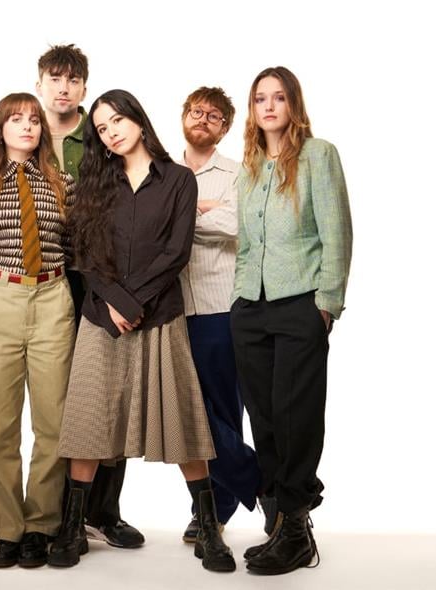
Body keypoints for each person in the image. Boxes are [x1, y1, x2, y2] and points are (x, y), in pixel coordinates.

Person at [49, 89, 236, 572]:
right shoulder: (95, 182)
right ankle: (72, 526)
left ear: (137, 119)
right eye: (102, 128)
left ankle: (208, 528)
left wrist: (132, 302)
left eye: (117, 121)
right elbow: (83, 254)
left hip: (158, 316)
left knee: (184, 424)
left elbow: (176, 252)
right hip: (102, 318)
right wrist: (113, 301)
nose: (111, 132)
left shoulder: (177, 179)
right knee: (88, 422)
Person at [230, 66, 352, 575]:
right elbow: (245, 242)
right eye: (260, 98)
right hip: (250, 307)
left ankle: (298, 531)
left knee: (295, 416)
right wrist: (237, 299)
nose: (269, 106)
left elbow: (337, 231)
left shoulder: (318, 155)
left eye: (278, 97)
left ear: (293, 104)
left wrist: (327, 304)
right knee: (264, 418)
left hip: (300, 302)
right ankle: (280, 522)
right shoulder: (250, 166)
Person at [35, 43, 144, 550]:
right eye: (55, 79)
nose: (64, 88)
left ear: (83, 86)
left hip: (97, 276)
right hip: (42, 279)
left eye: (73, 80)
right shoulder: (24, 130)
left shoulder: (101, 136)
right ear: (40, 84)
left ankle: (105, 510)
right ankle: (58, 514)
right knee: (60, 399)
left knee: (110, 391)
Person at [0, 93, 76, 569]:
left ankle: (41, 526)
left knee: (54, 422)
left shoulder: (63, 185)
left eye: (34, 120)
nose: (27, 126)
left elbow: (75, 249)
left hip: (52, 299)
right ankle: (8, 529)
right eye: (16, 120)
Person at [177, 87, 261, 544]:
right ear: (183, 117)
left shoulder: (237, 173)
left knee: (223, 411)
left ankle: (213, 511)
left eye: (213, 116)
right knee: (185, 413)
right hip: (171, 310)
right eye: (196, 111)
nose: (202, 119)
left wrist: (180, 215)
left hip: (218, 306)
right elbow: (148, 226)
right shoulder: (163, 170)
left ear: (225, 128)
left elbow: (236, 224)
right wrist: (204, 208)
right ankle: (260, 480)